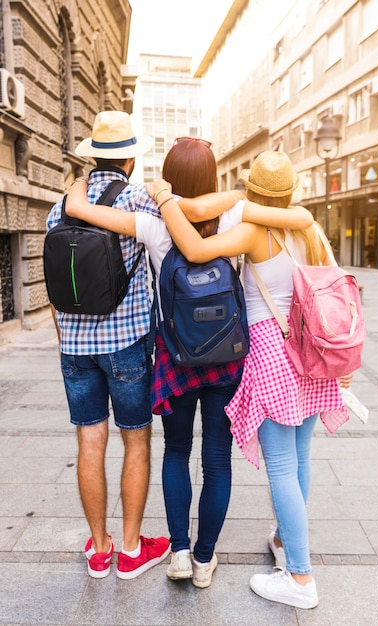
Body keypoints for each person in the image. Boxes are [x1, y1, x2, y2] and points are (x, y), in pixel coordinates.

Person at [65, 139, 314, 588]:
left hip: (176, 357)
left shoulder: (153, 223)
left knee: (177, 452)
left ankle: (179, 552)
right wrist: (238, 196)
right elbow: (297, 217)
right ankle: (203, 560)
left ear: (170, 177)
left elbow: (83, 212)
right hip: (226, 357)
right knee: (217, 459)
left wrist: (81, 183)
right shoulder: (238, 216)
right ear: (213, 179)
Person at [148, 151, 352, 609]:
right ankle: (284, 541)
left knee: (281, 465)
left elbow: (197, 249)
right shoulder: (309, 227)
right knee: (300, 458)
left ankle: (299, 578)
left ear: (254, 190)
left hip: (273, 351)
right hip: (309, 350)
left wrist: (162, 197)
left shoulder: (255, 227)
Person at [46, 110, 177, 581]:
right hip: (126, 343)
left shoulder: (61, 206)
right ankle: (130, 548)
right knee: (136, 439)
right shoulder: (141, 200)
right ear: (130, 158)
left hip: (75, 347)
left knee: (89, 439)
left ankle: (99, 549)